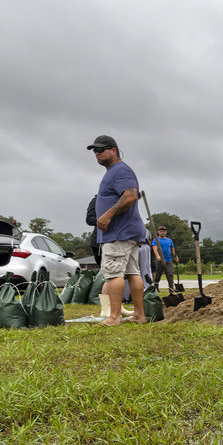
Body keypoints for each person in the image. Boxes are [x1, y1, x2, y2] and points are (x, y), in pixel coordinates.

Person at [88, 134, 148, 325]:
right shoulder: (114, 171)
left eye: (101, 150)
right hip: (127, 232)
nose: (97, 154)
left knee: (114, 274)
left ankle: (114, 317)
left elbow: (131, 196)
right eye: (94, 151)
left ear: (113, 150)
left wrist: (107, 215)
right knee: (132, 273)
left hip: (119, 232)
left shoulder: (120, 170)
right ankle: (139, 315)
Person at [151, 226, 179, 291]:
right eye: (161, 231)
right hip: (160, 261)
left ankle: (171, 288)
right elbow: (155, 249)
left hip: (168, 260)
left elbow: (172, 249)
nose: (162, 232)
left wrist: (175, 256)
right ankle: (155, 287)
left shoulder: (169, 240)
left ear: (165, 232)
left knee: (170, 273)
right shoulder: (156, 240)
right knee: (158, 274)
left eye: (163, 231)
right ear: (158, 232)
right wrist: (158, 256)